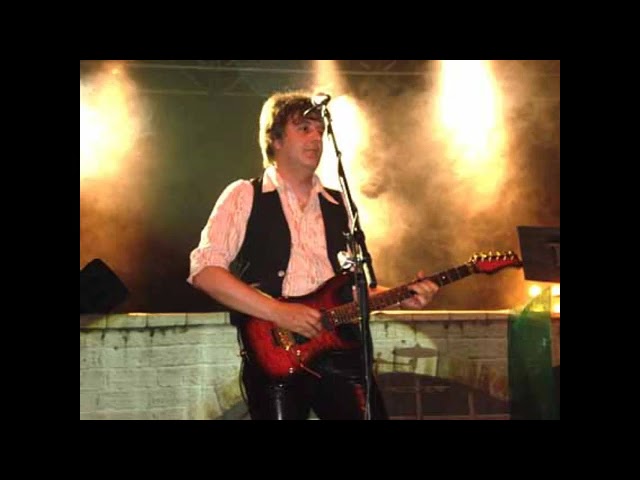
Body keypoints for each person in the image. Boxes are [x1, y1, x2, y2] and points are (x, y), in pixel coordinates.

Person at [188, 90, 439, 420]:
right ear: (275, 138)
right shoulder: (245, 194)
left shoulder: (338, 204)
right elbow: (205, 271)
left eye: (320, 130)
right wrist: (278, 311)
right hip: (277, 351)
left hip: (342, 351)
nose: (316, 138)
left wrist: (401, 297)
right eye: (304, 128)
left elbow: (348, 292)